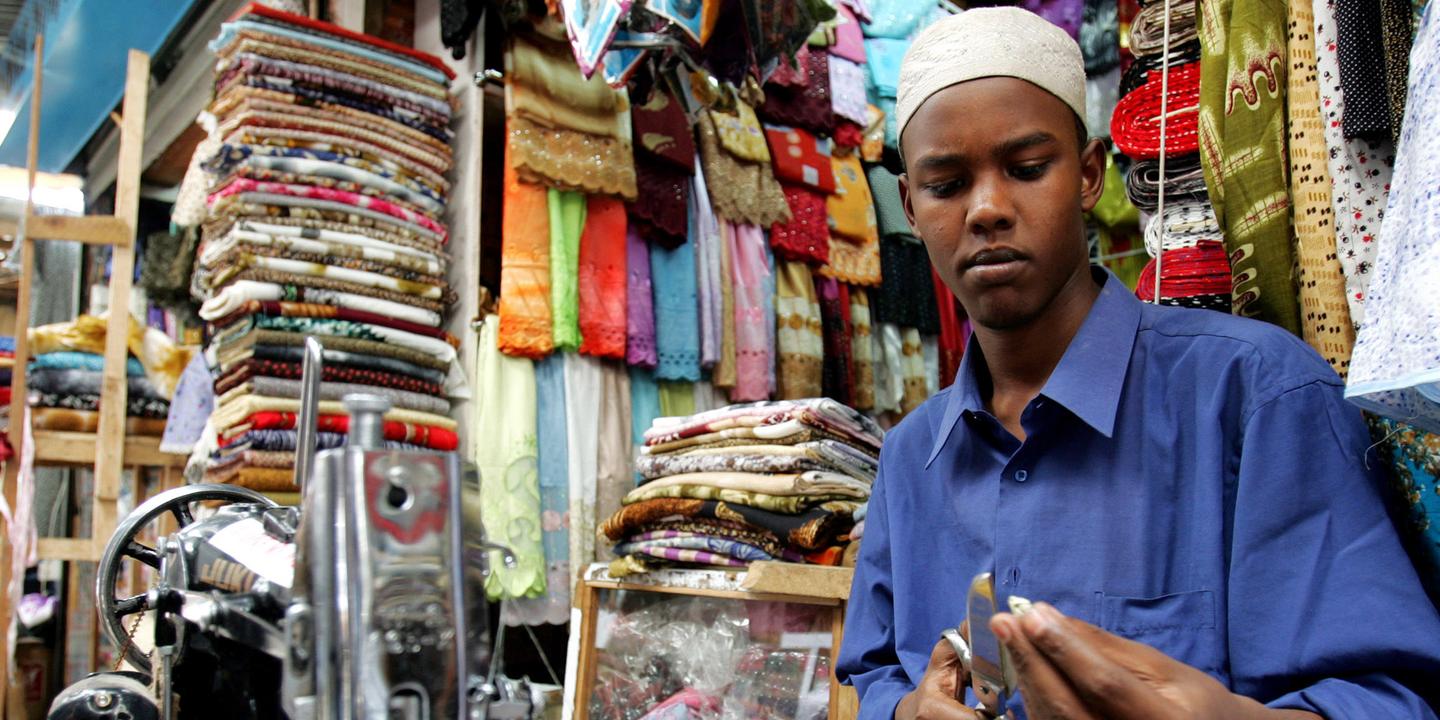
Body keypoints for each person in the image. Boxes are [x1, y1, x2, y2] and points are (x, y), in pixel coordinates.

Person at [835, 7, 1440, 719]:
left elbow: (1389, 696)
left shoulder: (1258, 397)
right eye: (946, 186)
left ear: (1090, 174)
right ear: (909, 207)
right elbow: (875, 674)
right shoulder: (910, 458)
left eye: (1027, 169)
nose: (987, 209)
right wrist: (910, 711)